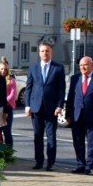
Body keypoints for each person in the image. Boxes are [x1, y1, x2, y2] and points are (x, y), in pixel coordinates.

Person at [24, 40, 66, 171]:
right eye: (42, 51)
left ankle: (50, 162)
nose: (44, 53)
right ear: (39, 53)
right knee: (37, 136)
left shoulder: (58, 68)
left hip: (51, 108)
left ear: (51, 52)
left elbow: (61, 89)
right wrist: (27, 105)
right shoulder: (33, 68)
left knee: (51, 137)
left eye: (47, 51)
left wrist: (59, 105)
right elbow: (28, 88)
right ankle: (39, 161)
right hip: (36, 107)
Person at [66, 56, 93, 175]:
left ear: (92, 65)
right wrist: (68, 114)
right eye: (80, 65)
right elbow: (70, 98)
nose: (82, 67)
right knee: (78, 142)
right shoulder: (75, 78)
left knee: (91, 143)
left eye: (85, 65)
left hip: (92, 117)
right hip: (77, 116)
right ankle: (80, 165)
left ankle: (89, 166)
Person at [0, 61, 16, 146]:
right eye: (1, 69)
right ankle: (1, 152)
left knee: (7, 131)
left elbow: (12, 95)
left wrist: (3, 101)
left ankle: (9, 151)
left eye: (5, 69)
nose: (3, 71)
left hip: (8, 109)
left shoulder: (11, 81)